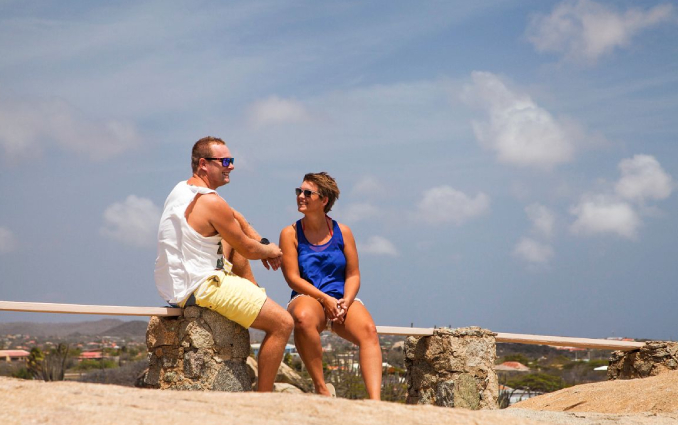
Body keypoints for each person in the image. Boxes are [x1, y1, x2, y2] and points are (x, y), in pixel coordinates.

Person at [154, 136, 293, 392]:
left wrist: (255, 237)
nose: (231, 166)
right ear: (204, 164)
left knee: (233, 236)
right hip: (200, 285)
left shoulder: (183, 191)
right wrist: (270, 249)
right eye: (225, 161)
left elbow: (234, 218)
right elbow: (249, 249)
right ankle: (263, 397)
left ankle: (253, 297)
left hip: (175, 284)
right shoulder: (212, 203)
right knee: (283, 323)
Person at [279, 172, 382, 399]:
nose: (300, 196)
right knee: (303, 319)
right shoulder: (290, 233)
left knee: (369, 331)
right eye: (299, 191)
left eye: (307, 193)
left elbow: (353, 274)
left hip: (340, 297)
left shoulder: (343, 232)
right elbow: (293, 278)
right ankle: (322, 389)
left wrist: (346, 300)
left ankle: (376, 403)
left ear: (324, 200)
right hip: (308, 296)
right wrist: (324, 299)